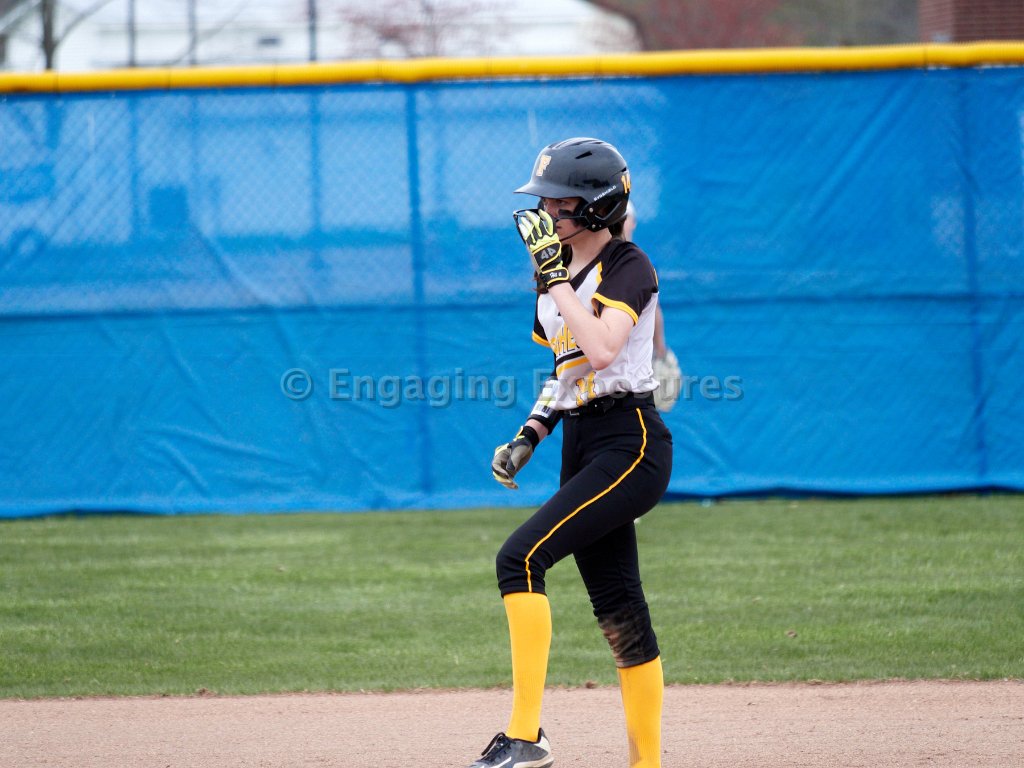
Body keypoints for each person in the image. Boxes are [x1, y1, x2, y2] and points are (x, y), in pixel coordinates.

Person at [471, 138, 673, 768]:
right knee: (619, 606)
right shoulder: (554, 273)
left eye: (558, 202)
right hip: (583, 443)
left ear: (596, 205)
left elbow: (605, 350)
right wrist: (531, 433)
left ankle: (526, 737)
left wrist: (556, 278)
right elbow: (569, 369)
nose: (545, 213)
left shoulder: (627, 264)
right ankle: (648, 763)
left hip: (630, 441)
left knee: (520, 558)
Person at [623, 201, 681, 413]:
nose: (621, 222)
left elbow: (653, 307)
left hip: (636, 348)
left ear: (634, 222)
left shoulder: (643, 263)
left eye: (626, 217)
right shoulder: (596, 261)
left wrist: (660, 348)